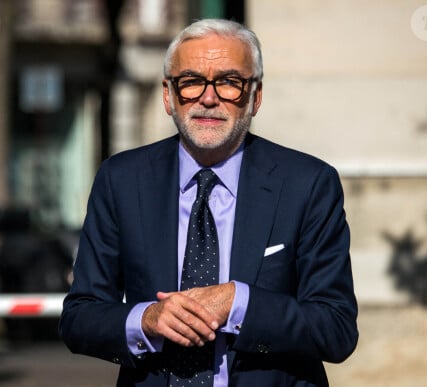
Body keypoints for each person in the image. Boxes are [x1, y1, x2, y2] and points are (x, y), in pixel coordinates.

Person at [60, 18, 358, 386]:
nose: (208, 97)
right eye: (191, 81)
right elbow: (79, 318)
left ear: (255, 97)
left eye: (229, 82)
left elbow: (337, 328)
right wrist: (147, 320)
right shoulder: (122, 179)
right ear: (168, 95)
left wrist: (239, 303)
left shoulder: (308, 184)